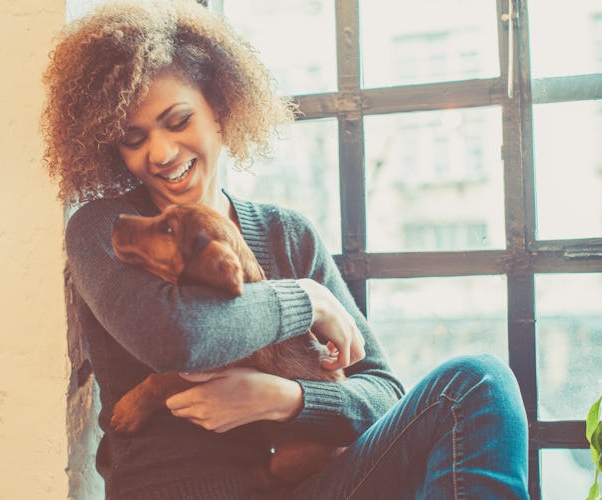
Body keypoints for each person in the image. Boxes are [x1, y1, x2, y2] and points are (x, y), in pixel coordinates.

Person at [41, 1, 530, 498]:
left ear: (219, 107)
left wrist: (284, 399)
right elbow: (176, 338)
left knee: (477, 384)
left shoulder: (288, 235)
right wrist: (307, 299)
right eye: (134, 138)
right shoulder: (108, 230)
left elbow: (381, 394)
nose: (162, 153)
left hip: (311, 486)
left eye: (179, 120)